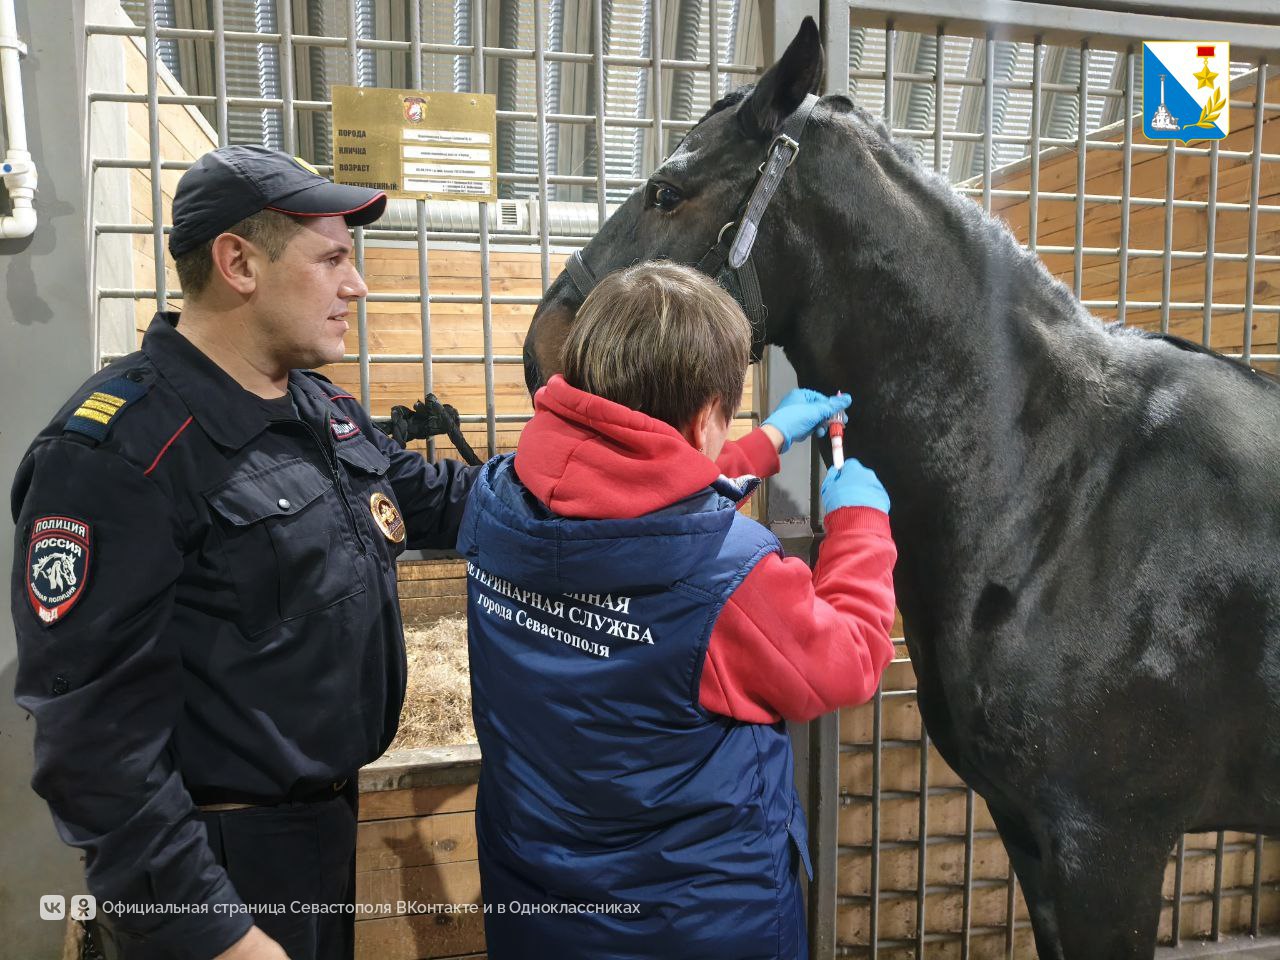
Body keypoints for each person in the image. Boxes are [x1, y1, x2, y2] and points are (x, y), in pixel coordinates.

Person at [9, 146, 477, 960]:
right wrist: (217, 935)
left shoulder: (317, 406)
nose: (356, 286)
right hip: (215, 870)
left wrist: (592, 468)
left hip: (324, 833)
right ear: (238, 263)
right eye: (333, 257)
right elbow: (97, 747)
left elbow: (433, 498)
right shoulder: (116, 453)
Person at [460, 261, 899, 959]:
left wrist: (764, 443)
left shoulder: (496, 503)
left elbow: (629, 500)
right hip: (697, 924)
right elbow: (846, 662)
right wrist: (862, 527)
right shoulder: (734, 574)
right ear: (705, 420)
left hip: (537, 905)